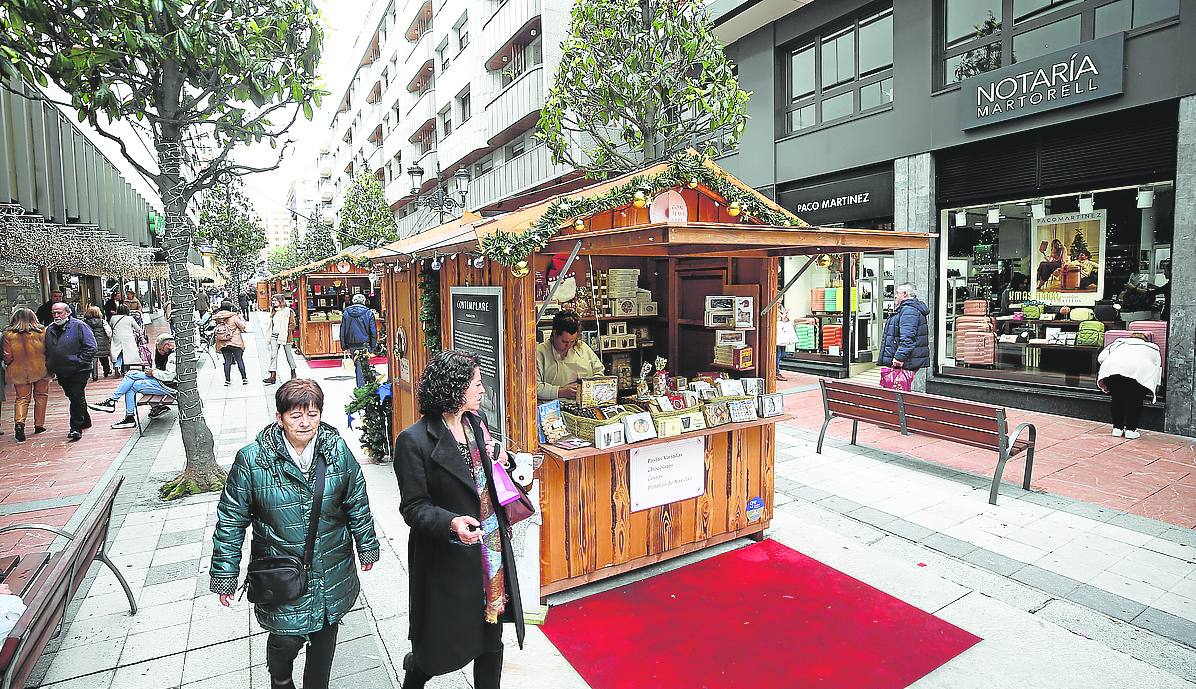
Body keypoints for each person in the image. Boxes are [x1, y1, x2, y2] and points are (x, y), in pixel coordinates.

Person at [210, 379, 379, 689]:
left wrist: (366, 545)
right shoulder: (253, 460)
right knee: (285, 640)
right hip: (281, 571)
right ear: (280, 417)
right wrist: (225, 575)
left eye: (313, 414)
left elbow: (356, 501)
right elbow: (231, 521)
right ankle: (281, 678)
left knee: (325, 633)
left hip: (331, 566)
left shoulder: (337, 451)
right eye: (296, 416)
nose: (305, 423)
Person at [393, 350, 524, 689]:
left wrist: (503, 458)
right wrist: (451, 522)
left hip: (491, 551)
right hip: (447, 558)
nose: (482, 389)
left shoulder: (476, 423)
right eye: (476, 383)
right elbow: (414, 507)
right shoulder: (413, 441)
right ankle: (416, 671)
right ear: (454, 388)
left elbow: (489, 477)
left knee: (491, 640)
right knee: (437, 648)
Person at [88, 333, 178, 429]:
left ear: (168, 345)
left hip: (168, 385)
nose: (160, 352)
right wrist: (153, 371)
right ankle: (113, 403)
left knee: (132, 386)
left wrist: (154, 372)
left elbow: (169, 376)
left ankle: (125, 413)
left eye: (161, 349)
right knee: (131, 374)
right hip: (161, 380)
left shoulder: (173, 355)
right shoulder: (169, 353)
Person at [44, 302, 96, 441]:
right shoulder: (50, 329)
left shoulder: (79, 326)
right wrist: (50, 364)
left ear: (67, 313)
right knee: (74, 396)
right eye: (54, 313)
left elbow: (91, 347)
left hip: (79, 370)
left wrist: (79, 361)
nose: (56, 315)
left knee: (76, 395)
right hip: (61, 370)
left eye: (59, 312)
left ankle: (75, 428)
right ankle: (85, 419)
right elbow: (48, 349)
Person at [1097, 333, 1161, 440]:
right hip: (1138, 377)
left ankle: (1117, 429)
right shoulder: (1152, 349)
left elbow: (1101, 358)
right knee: (1135, 401)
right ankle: (1131, 431)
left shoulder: (1118, 344)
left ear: (1130, 338)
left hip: (1113, 374)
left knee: (1117, 399)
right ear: (1145, 341)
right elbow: (1156, 368)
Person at [535, 310, 604, 401]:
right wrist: (561, 392)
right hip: (553, 405)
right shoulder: (539, 353)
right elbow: (535, 388)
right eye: (564, 342)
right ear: (554, 333)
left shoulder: (582, 347)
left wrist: (588, 387)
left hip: (583, 403)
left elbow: (599, 372)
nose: (568, 346)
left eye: (572, 341)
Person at [3, 309, 50, 441]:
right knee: (41, 396)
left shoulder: (8, 335)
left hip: (18, 370)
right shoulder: (43, 332)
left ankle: (19, 423)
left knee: (22, 398)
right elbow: (48, 350)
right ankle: (39, 425)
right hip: (41, 368)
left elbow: (7, 356)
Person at [878, 283, 930, 391]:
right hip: (907, 360)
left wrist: (899, 358)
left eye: (898, 293)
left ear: (905, 294)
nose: (895, 296)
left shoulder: (909, 311)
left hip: (906, 361)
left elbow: (907, 338)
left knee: (898, 392)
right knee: (898, 391)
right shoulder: (907, 310)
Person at [340, 294, 378, 388]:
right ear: (364, 301)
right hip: (365, 343)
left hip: (352, 344)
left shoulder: (346, 313)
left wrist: (344, 345)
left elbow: (342, 330)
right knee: (363, 366)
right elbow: (373, 331)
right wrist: (373, 346)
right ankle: (362, 388)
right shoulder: (368, 313)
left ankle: (362, 387)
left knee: (358, 365)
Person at [213, 300, 251, 386]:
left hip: (223, 342)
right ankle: (244, 378)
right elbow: (242, 327)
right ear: (230, 308)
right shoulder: (233, 317)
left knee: (227, 361)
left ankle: (227, 381)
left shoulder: (218, 317)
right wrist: (241, 318)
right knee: (239, 360)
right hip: (235, 341)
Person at [263, 295, 297, 385]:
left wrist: (285, 330)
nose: (273, 302)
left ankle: (293, 372)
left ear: (281, 301)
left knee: (288, 355)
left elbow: (293, 325)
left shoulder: (288, 311)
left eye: (275, 300)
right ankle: (272, 376)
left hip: (286, 336)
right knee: (273, 355)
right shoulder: (274, 311)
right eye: (273, 300)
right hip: (274, 336)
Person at [109, 304, 142, 374]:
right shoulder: (130, 318)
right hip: (128, 337)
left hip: (116, 337)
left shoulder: (113, 318)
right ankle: (125, 369)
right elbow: (138, 328)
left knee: (118, 352)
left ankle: (117, 365)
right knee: (127, 353)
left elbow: (110, 326)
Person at [82, 306, 113, 380]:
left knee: (94, 358)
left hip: (90, 342)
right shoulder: (102, 322)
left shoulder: (85, 322)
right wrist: (109, 339)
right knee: (104, 357)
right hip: (102, 342)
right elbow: (108, 331)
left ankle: (94, 374)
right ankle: (106, 371)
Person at [775, 303, 795, 381]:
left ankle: (776, 370)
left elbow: (786, 319)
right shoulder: (774, 308)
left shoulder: (781, 307)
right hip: (777, 334)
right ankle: (776, 372)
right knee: (778, 353)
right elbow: (778, 319)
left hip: (782, 334)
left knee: (782, 353)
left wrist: (785, 315)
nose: (781, 299)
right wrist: (784, 314)